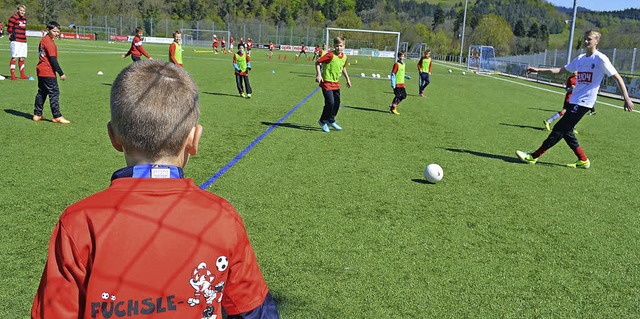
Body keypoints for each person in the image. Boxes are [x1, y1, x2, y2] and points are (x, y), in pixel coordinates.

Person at [31, 60, 280, 319]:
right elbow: (255, 311)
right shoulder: (222, 217)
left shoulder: (80, 222)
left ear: (113, 136)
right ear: (195, 139)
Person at [517, 30, 635, 169]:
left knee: (559, 129)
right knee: (567, 131)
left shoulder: (600, 59)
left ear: (597, 41)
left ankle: (533, 156)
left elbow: (617, 77)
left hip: (585, 102)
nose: (586, 41)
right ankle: (583, 160)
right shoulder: (580, 59)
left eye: (589, 39)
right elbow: (561, 70)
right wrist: (538, 70)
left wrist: (626, 98)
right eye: (585, 39)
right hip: (574, 100)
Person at [32, 21, 69, 124]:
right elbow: (53, 60)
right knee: (54, 93)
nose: (56, 33)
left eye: (58, 31)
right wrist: (61, 73)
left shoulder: (43, 40)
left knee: (42, 92)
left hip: (41, 70)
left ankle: (37, 114)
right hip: (48, 72)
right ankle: (57, 116)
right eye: (54, 31)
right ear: (48, 30)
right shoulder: (49, 42)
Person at [315, 36, 352, 133]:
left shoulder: (345, 57)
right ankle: (322, 121)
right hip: (326, 82)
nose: (339, 48)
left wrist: (348, 79)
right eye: (337, 46)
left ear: (344, 46)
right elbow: (318, 62)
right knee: (330, 102)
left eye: (341, 46)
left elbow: (343, 67)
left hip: (336, 83)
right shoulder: (330, 55)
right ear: (334, 46)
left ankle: (331, 120)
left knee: (337, 103)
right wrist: (319, 75)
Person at [8, 4, 29, 80]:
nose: (22, 12)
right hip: (16, 40)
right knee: (14, 58)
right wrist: (12, 36)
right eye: (21, 10)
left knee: (22, 58)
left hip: (23, 40)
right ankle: (13, 75)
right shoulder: (13, 18)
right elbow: (9, 28)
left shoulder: (24, 19)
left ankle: (22, 74)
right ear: (17, 10)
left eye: (23, 11)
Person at [389, 51, 408, 115]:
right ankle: (393, 109)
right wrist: (393, 82)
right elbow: (393, 73)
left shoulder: (403, 64)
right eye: (401, 56)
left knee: (404, 96)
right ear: (398, 56)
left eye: (403, 56)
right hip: (397, 83)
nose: (402, 57)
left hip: (402, 83)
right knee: (398, 95)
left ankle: (393, 105)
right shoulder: (396, 64)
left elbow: (401, 72)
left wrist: (405, 76)